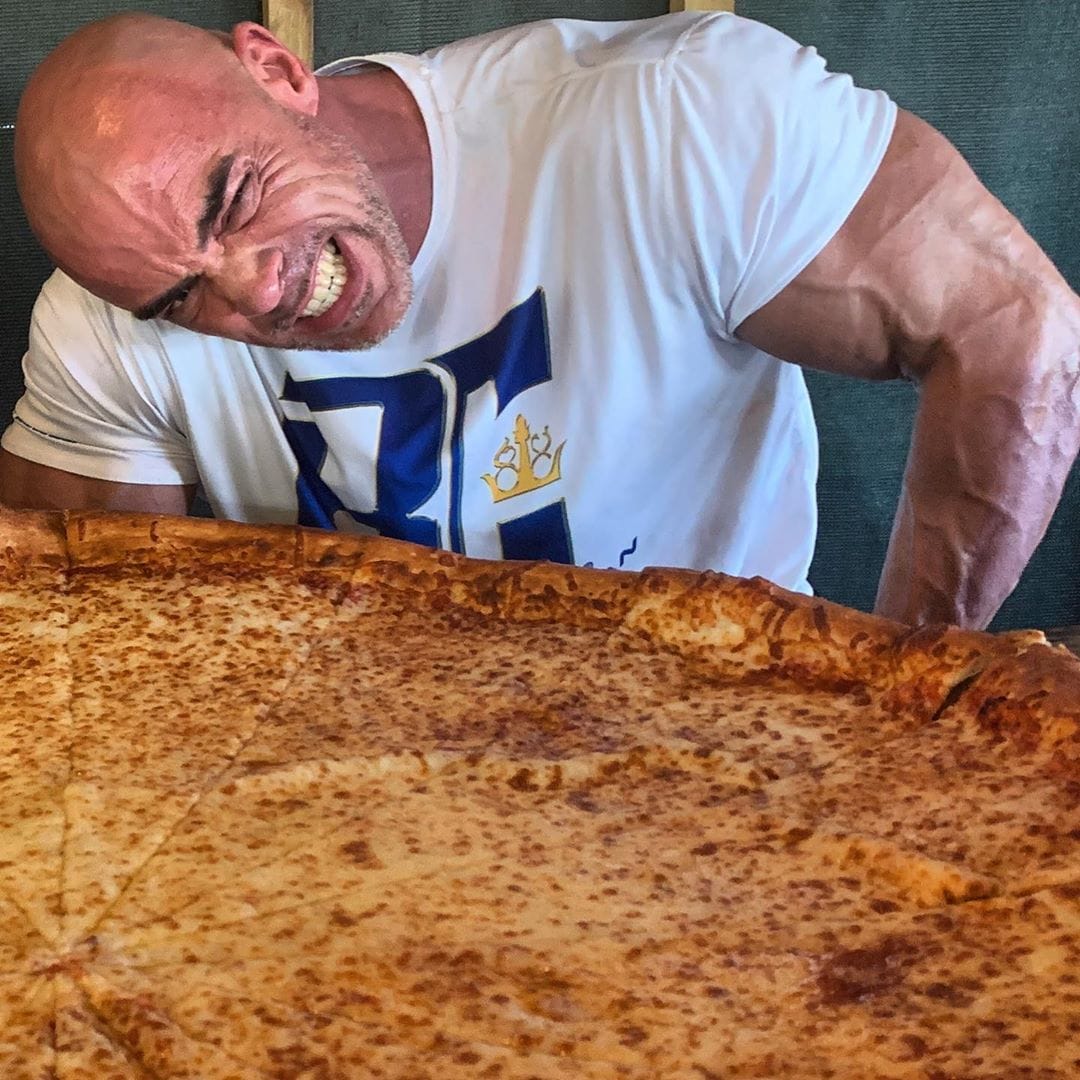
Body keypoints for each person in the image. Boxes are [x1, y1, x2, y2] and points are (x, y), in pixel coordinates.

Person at [4, 11, 1079, 630]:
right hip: (347, 814)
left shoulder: (676, 114)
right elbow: (82, 642)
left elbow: (1012, 329)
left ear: (280, 72)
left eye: (236, 198)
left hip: (729, 739)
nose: (254, 291)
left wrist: (907, 694)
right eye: (182, 299)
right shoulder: (102, 328)